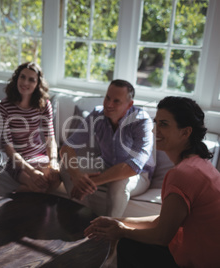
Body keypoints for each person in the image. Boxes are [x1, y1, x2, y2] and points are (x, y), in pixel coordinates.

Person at [84, 96, 220, 267]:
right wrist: (119, 221)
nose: (155, 131)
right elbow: (162, 221)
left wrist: (121, 232)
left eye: (164, 124)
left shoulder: (184, 174)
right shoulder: (200, 164)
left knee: (128, 244)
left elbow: (162, 237)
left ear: (185, 132)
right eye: (156, 123)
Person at [60, 79, 155, 217]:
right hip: (105, 165)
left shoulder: (142, 121)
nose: (109, 104)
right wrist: (76, 176)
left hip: (139, 175)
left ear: (129, 105)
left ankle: (109, 234)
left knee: (118, 183)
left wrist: (90, 183)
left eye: (116, 101)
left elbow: (133, 166)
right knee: (65, 166)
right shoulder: (97, 114)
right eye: (107, 98)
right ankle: (82, 219)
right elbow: (67, 147)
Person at [0, 62, 60, 193]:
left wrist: (53, 161)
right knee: (37, 185)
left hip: (38, 154)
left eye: (31, 80)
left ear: (38, 84)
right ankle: (15, 200)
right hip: (16, 161)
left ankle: (14, 197)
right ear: (16, 78)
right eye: (22, 77)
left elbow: (50, 139)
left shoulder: (43, 104)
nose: (25, 83)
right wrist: (31, 172)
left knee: (56, 177)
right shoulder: (3, 107)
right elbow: (8, 148)